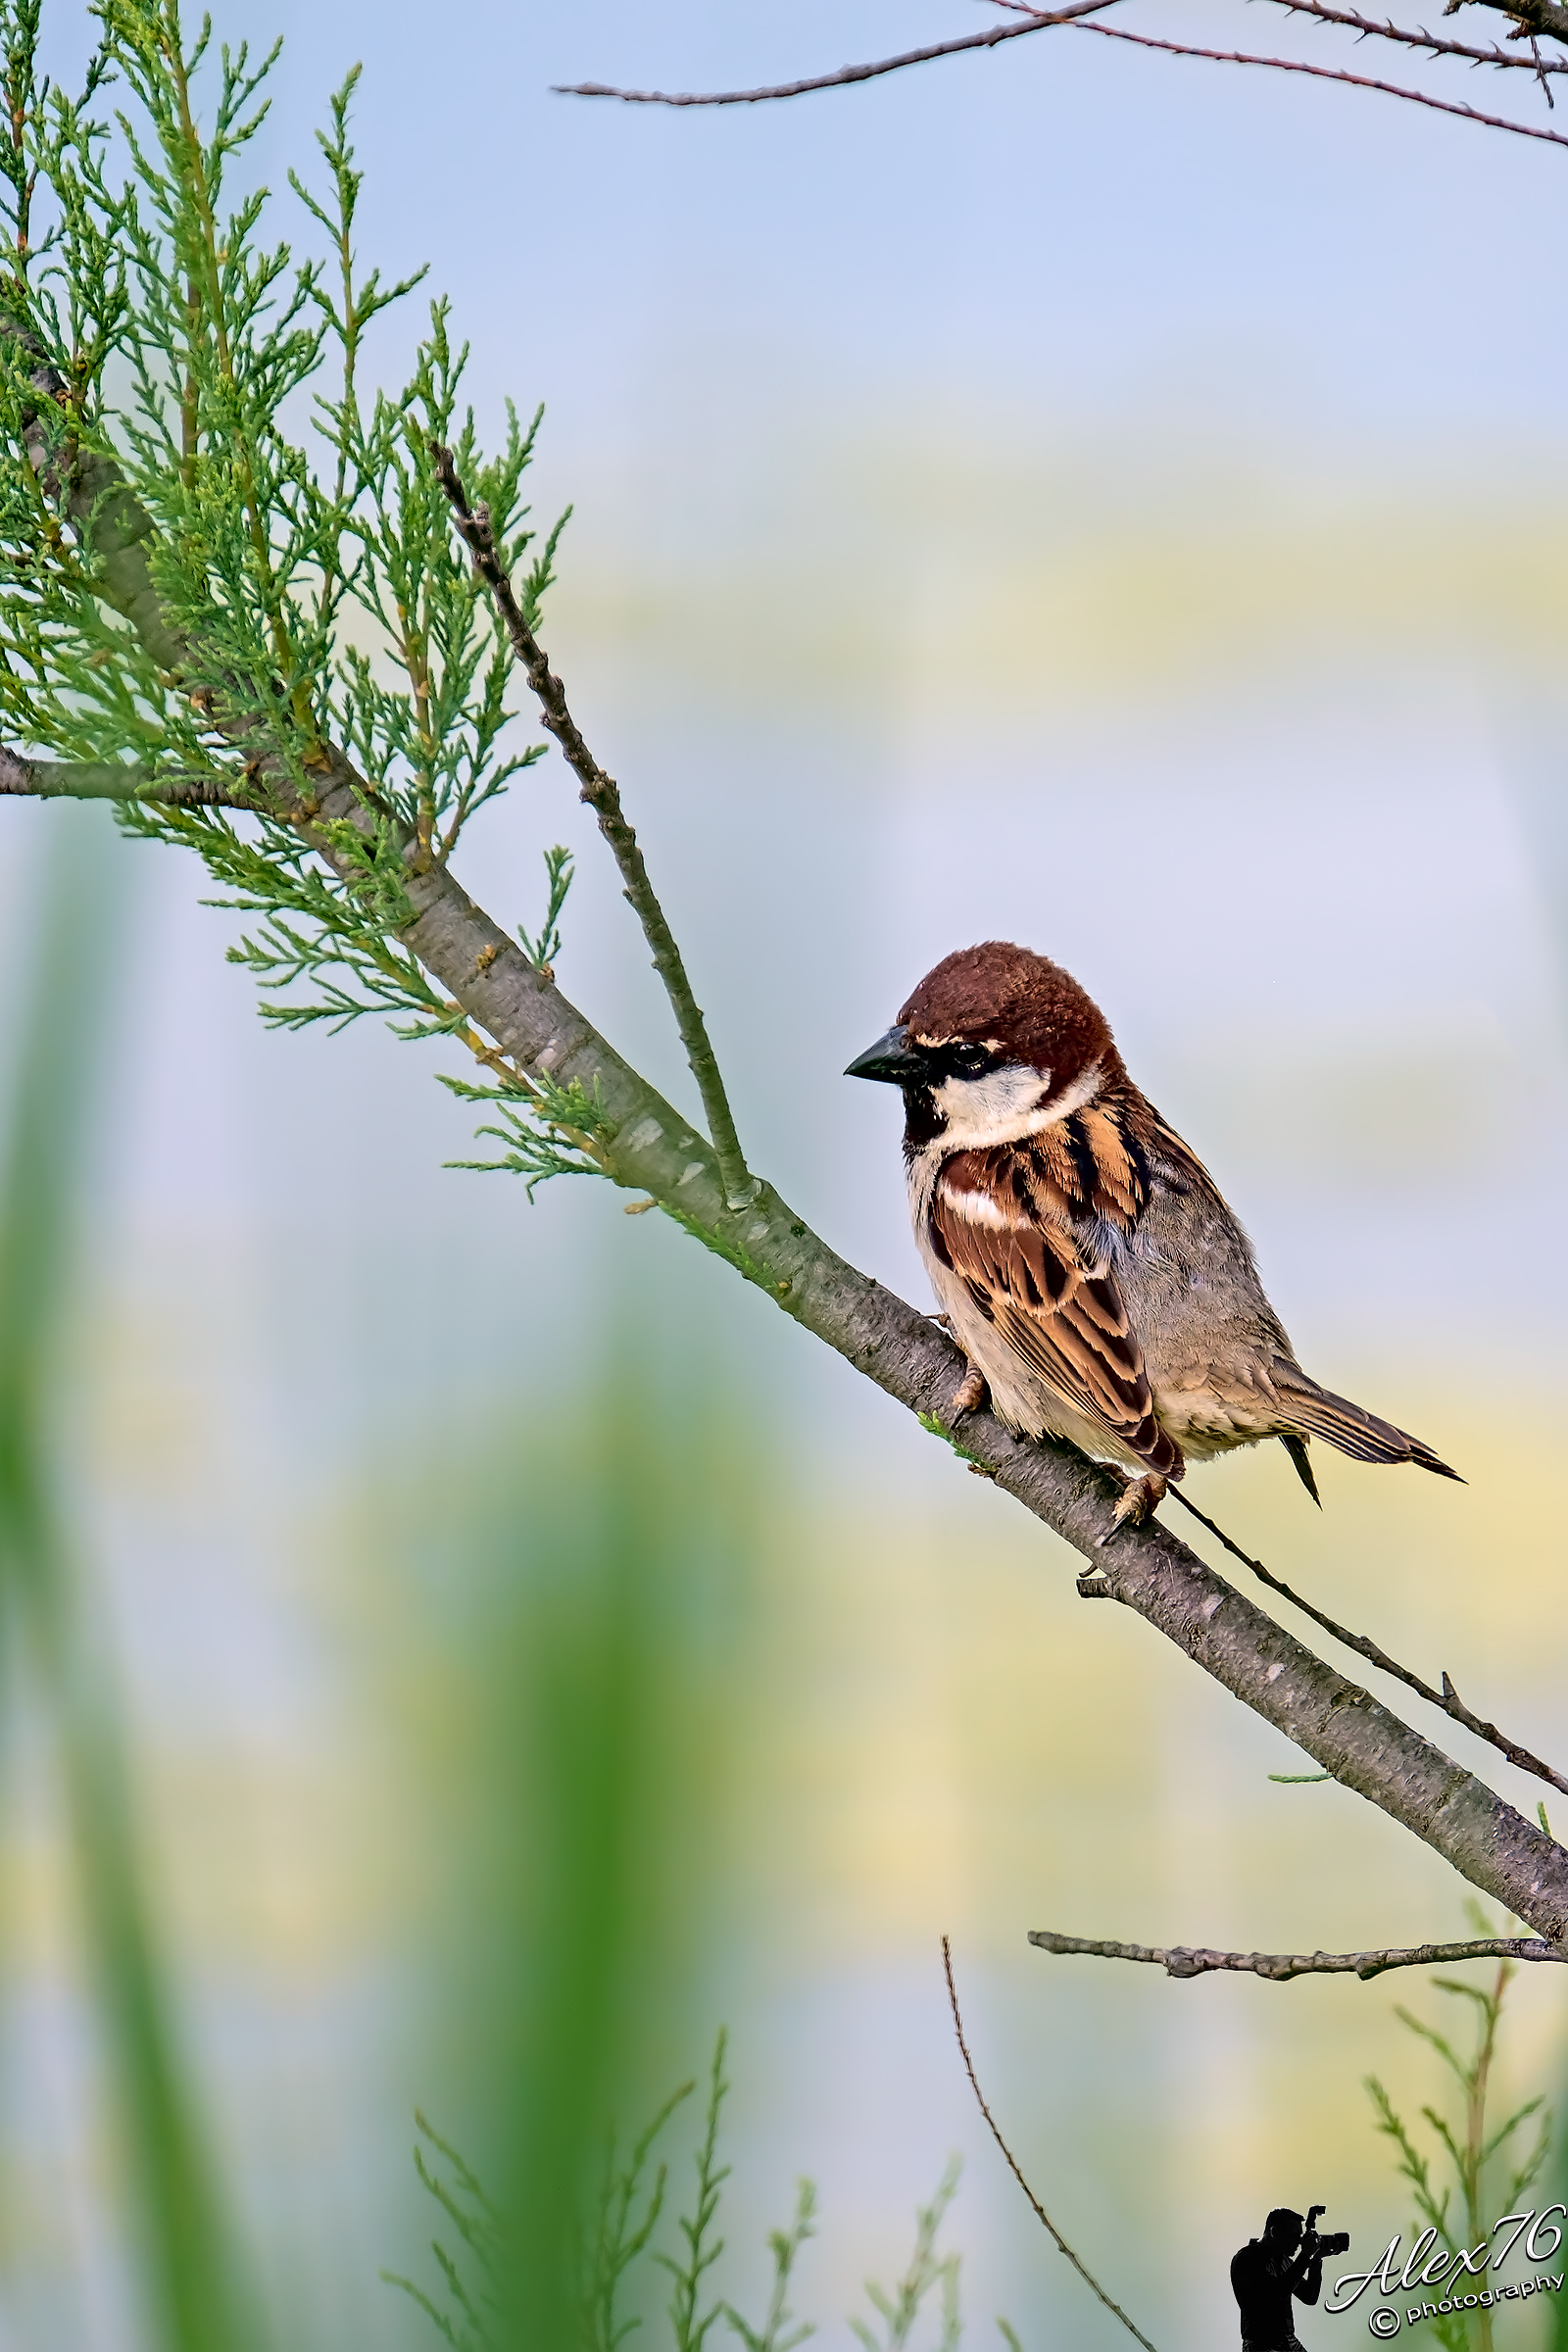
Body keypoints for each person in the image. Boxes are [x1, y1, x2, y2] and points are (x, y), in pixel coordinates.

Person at [1231, 2208, 1324, 2352]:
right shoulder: (1247, 2259)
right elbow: (1279, 2291)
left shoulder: (1283, 2260)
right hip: (1261, 2344)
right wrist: (1305, 2255)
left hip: (1288, 2341)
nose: (1299, 2243)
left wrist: (1316, 2260)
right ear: (1274, 2232)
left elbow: (1309, 2297)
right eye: (1294, 2236)